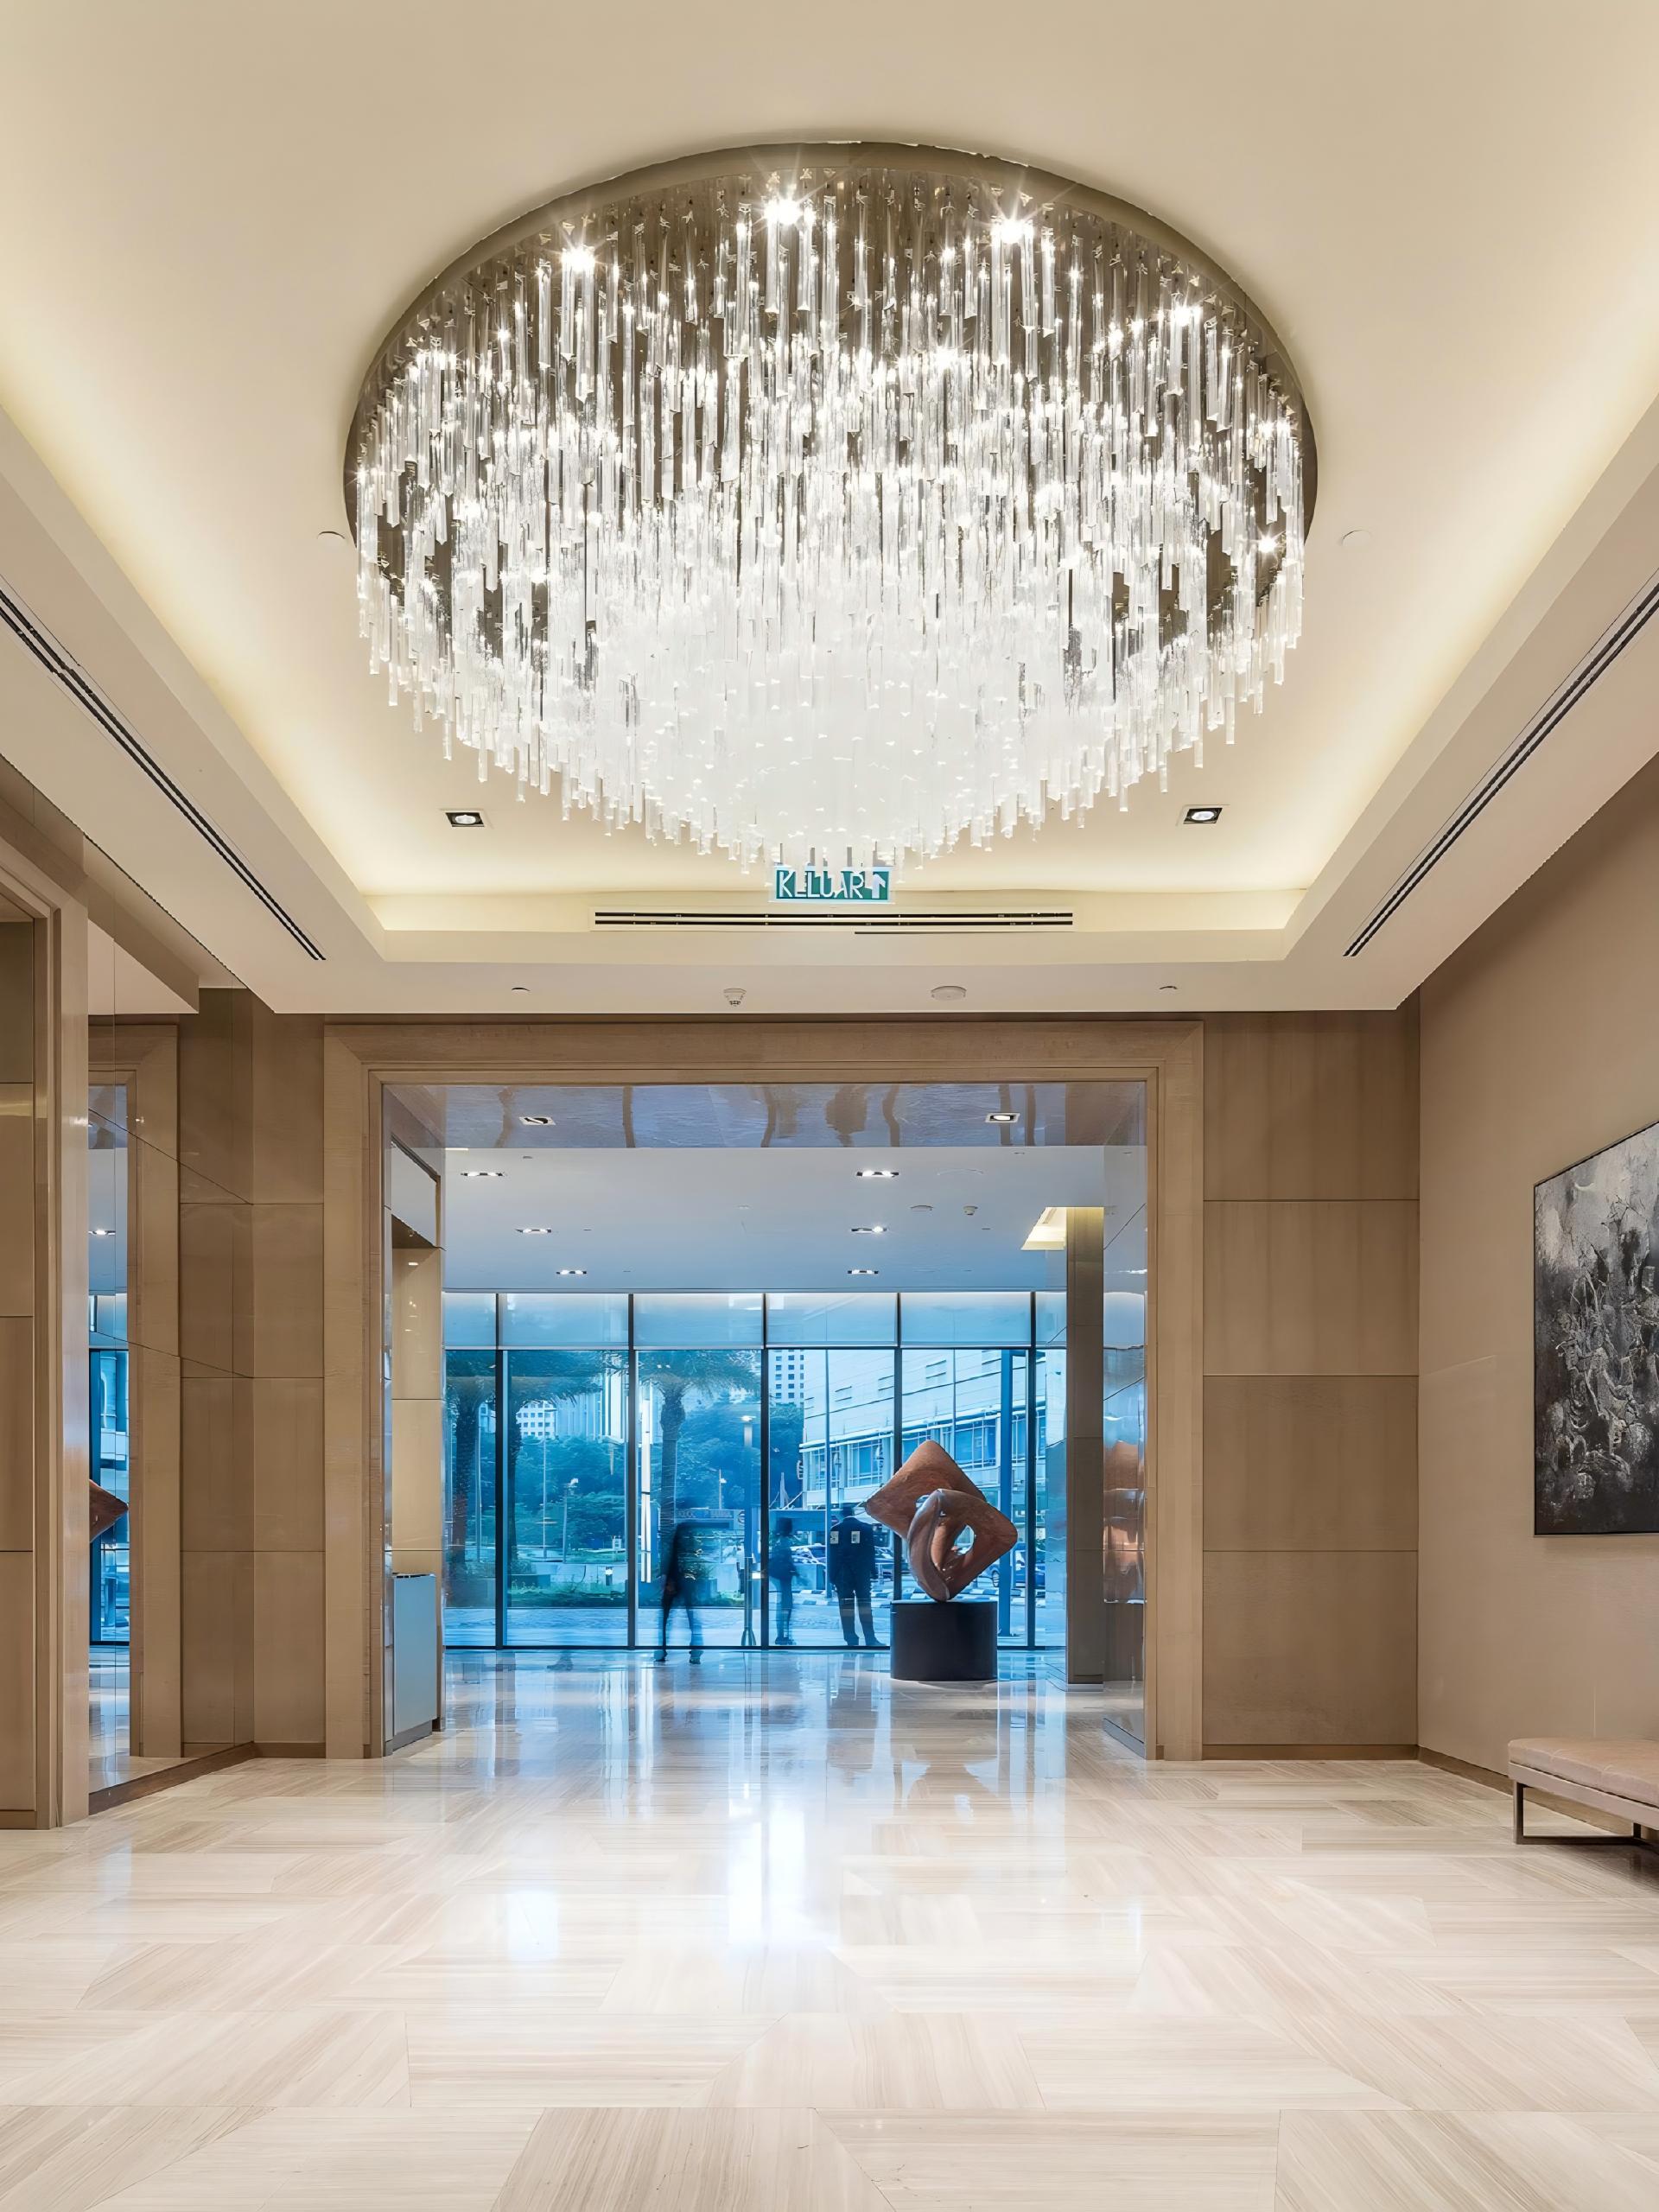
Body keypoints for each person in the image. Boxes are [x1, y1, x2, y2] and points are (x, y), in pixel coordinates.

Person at [828, 1501, 880, 1649]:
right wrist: (873, 1571)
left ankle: (851, 1639)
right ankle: (870, 1638)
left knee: (846, 1607)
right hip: (861, 1574)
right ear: (853, 1513)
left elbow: (832, 1554)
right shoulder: (866, 1528)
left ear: (841, 1514)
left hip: (842, 1575)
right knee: (865, 1605)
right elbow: (870, 1552)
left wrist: (832, 1576)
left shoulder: (835, 1530)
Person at [655, 1522, 703, 1663]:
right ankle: (695, 1651)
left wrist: (666, 1578)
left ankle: (662, 1650)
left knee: (666, 1619)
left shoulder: (675, 1542)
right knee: (692, 1619)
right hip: (685, 1583)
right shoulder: (692, 1543)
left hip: (673, 1582)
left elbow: (668, 1560)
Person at [767, 1516, 801, 1646]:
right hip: (784, 1577)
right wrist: (795, 1572)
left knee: (783, 1606)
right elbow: (787, 1560)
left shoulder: (777, 1540)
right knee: (786, 1606)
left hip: (779, 1576)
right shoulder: (785, 1541)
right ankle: (783, 1636)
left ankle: (782, 1635)